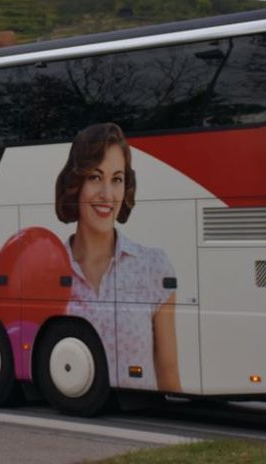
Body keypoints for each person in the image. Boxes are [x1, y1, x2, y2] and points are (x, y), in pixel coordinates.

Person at [54, 122, 180, 392]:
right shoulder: (49, 269)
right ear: (76, 184)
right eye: (95, 177)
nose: (107, 195)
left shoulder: (154, 267)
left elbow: (168, 372)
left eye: (117, 179)